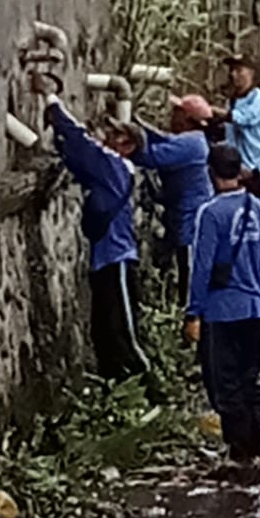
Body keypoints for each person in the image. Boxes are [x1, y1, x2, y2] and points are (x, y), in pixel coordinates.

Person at [46, 98, 150, 382]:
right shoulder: (108, 172)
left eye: (118, 135)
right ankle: (117, 391)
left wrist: (53, 103)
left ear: (128, 146)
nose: (109, 137)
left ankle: (154, 391)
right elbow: (77, 157)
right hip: (103, 261)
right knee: (103, 335)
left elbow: (82, 146)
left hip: (117, 260)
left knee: (122, 335)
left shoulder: (115, 167)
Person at [186, 144, 260, 472]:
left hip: (222, 310)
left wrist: (192, 312)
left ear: (211, 173)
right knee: (249, 379)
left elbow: (202, 267)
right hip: (253, 307)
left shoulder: (210, 213)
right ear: (239, 171)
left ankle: (239, 453)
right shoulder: (257, 207)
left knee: (224, 383)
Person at [137, 95, 213, 303]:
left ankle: (190, 318)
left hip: (190, 222)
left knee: (188, 271)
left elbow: (151, 156)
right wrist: (136, 123)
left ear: (186, 118)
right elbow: (161, 138)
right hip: (182, 217)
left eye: (176, 112)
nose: (172, 117)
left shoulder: (191, 144)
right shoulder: (191, 140)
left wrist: (126, 145)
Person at [220, 54, 260, 193]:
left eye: (238, 70)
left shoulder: (258, 98)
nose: (233, 74)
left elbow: (243, 119)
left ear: (251, 72)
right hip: (238, 169)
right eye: (231, 70)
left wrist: (211, 111)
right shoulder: (231, 101)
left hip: (257, 168)